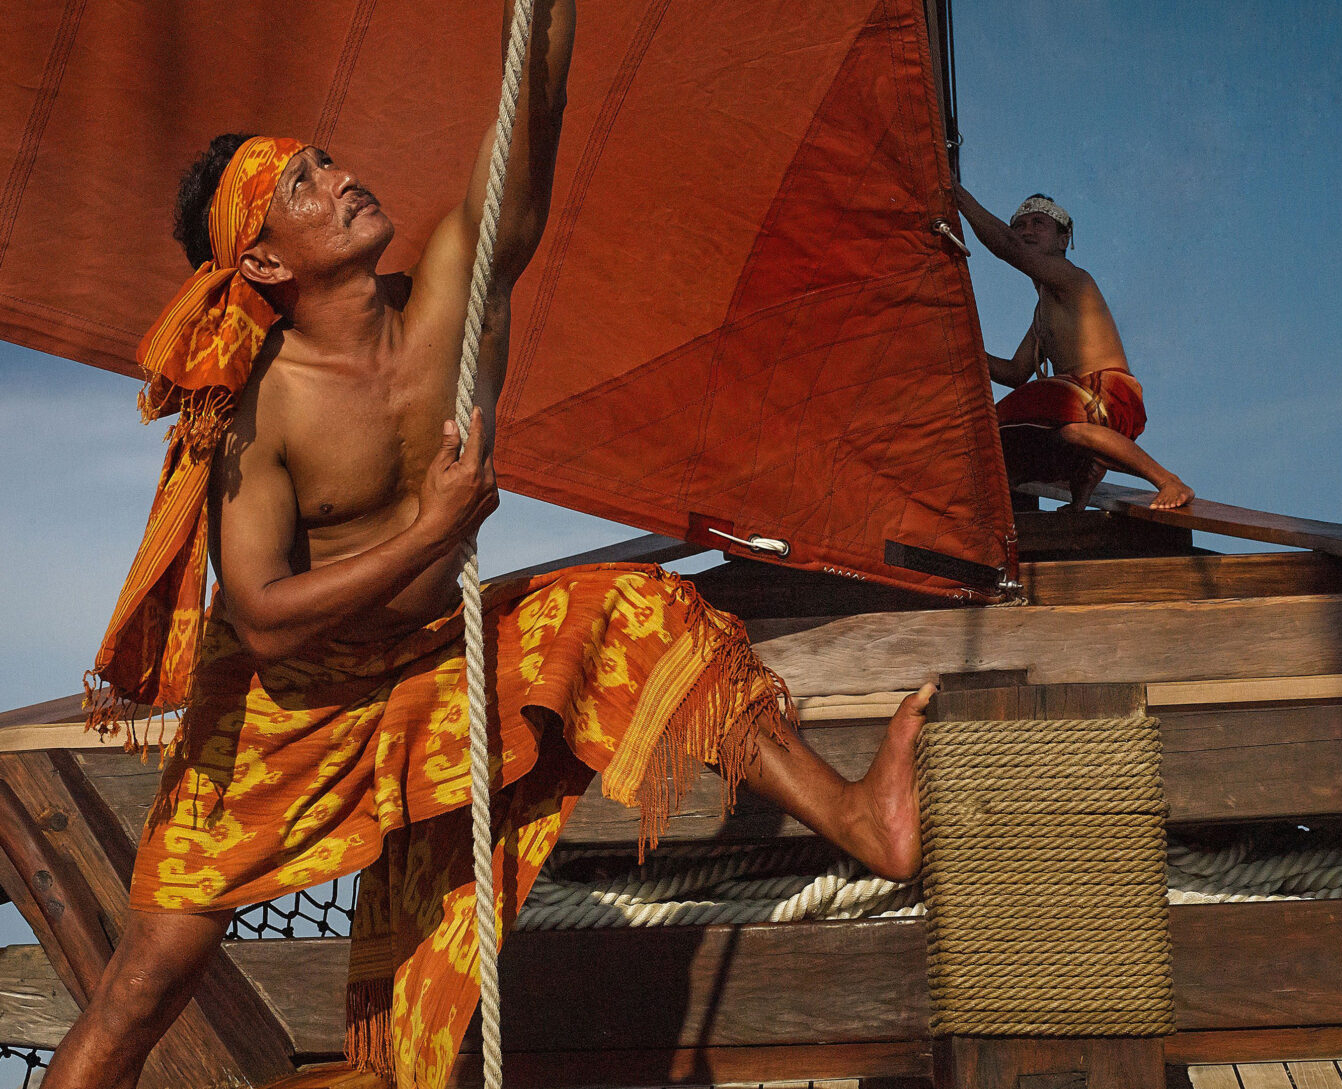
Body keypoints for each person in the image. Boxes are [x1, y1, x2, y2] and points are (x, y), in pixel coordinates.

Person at [48, 4, 926, 1088]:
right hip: (284, 714)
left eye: (329, 161)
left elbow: (531, 113)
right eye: (303, 187)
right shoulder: (255, 413)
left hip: (433, 662)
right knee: (147, 981)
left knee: (630, 607)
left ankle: (856, 817)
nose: (343, 179)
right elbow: (266, 621)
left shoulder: (453, 303)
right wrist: (431, 528)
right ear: (267, 263)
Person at [954, 184, 1194, 510]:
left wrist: (956, 194)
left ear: (1063, 239)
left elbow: (1008, 247)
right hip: (1077, 403)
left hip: (1110, 394)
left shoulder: (1072, 279)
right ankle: (1079, 482)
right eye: (1020, 225)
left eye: (1039, 224)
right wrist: (961, 351)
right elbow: (1014, 373)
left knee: (1054, 418)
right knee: (1002, 452)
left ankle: (1169, 480)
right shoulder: (1042, 312)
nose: (1026, 231)